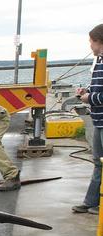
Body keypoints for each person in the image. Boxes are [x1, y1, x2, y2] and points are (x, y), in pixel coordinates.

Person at [72, 24, 103, 215]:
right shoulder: (99, 62)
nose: (90, 45)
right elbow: (98, 89)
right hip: (99, 121)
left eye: (91, 41)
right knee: (98, 163)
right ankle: (92, 201)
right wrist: (88, 91)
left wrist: (88, 98)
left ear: (99, 41)